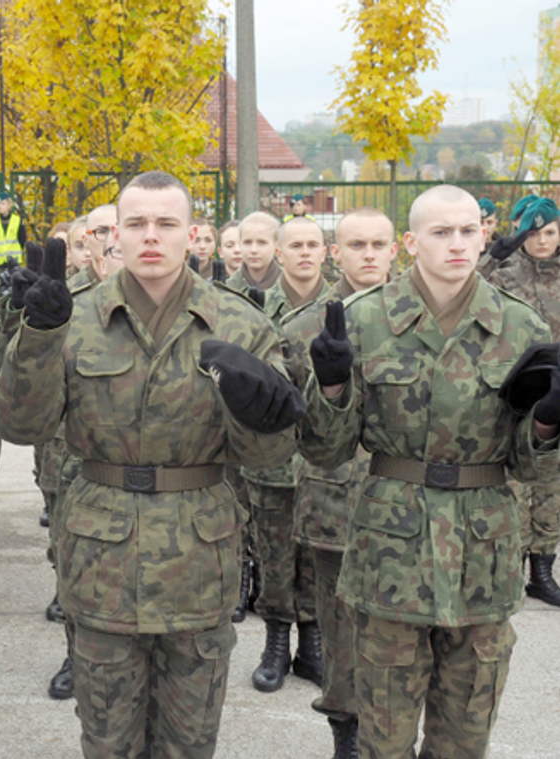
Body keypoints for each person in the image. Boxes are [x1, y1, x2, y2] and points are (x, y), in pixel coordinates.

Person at [0, 170, 304, 759]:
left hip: (199, 553)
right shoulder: (73, 315)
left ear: (193, 234)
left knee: (190, 741)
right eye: (135, 223)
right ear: (115, 235)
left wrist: (258, 415)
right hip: (100, 554)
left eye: (166, 223)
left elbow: (270, 457)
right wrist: (38, 335)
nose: (151, 236)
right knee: (108, 740)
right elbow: (19, 426)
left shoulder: (240, 323)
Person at [301, 184, 560, 759]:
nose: (458, 244)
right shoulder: (363, 322)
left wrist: (545, 426)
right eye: (441, 233)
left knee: (465, 740)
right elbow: (327, 451)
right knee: (382, 740)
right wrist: (334, 387)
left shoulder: (520, 328)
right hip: (392, 554)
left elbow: (530, 466)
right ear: (412, 242)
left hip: (483, 553)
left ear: (484, 235)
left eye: (469, 231)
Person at [279, 207, 397, 759]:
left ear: (397, 250)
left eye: (379, 244)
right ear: (336, 252)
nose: (368, 254)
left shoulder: (413, 316)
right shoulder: (304, 327)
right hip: (335, 506)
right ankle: (345, 736)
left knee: (402, 637)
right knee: (341, 633)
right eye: (356, 245)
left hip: (407, 511)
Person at [241, 217, 330, 694]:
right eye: (294, 245)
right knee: (273, 554)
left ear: (324, 251)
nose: (304, 253)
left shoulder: (344, 308)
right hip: (272, 457)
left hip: (323, 460)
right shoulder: (257, 308)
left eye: (312, 245)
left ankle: (311, 645)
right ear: (279, 250)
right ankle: (276, 642)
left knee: (316, 554)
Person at [490, 197, 560, 607]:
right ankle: (511, 565)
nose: (541, 240)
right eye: (532, 232)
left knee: (551, 481)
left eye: (550, 231)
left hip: (556, 388)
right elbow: (466, 293)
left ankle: (543, 569)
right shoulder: (503, 274)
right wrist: (490, 256)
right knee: (514, 483)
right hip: (513, 384)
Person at [225, 212, 282, 295]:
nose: (253, 250)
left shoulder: (291, 286)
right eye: (247, 242)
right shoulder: (227, 289)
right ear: (240, 244)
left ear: (276, 245)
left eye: (262, 242)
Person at [0, 191, 26, 279]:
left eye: (3, 203)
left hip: (13, 261)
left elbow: (22, 239)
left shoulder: (17, 220)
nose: (0, 206)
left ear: (9, 204)